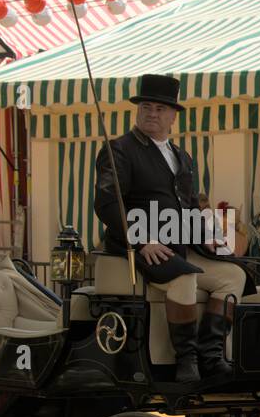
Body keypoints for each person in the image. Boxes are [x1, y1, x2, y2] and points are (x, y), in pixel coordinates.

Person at [93, 73, 248, 384]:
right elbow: (108, 203)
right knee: (184, 275)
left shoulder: (182, 157)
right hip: (138, 245)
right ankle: (185, 361)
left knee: (234, 276)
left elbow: (189, 206)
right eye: (146, 107)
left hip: (178, 244)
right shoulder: (119, 150)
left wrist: (212, 239)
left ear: (174, 116)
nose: (152, 113)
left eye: (160, 109)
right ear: (137, 111)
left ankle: (211, 356)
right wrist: (142, 240)